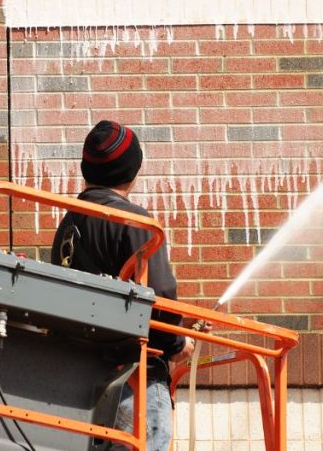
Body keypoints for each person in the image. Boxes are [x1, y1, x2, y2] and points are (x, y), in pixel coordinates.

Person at [51, 120, 195, 451]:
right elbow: (160, 295)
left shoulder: (68, 226)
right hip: (133, 380)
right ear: (133, 171)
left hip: (81, 383)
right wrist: (176, 345)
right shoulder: (134, 222)